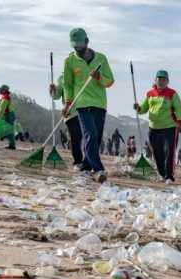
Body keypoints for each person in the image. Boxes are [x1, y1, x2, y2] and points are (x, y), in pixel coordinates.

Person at [63, 28, 114, 183]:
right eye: (75, 46)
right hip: (82, 103)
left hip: (99, 103)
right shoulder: (69, 61)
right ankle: (98, 169)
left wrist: (99, 77)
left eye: (80, 45)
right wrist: (67, 103)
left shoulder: (101, 58)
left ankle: (85, 165)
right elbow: (68, 84)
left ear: (87, 42)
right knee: (90, 135)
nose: (77, 49)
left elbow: (110, 81)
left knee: (96, 138)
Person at [134, 69, 181, 182]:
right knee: (157, 153)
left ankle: (169, 176)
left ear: (167, 81)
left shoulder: (172, 93)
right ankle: (162, 173)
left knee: (169, 152)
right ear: (155, 80)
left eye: (163, 79)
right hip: (154, 128)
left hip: (169, 127)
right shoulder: (150, 94)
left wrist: (180, 121)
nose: (161, 81)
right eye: (159, 79)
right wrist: (138, 108)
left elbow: (179, 108)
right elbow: (144, 108)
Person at [51, 72, 84, 167]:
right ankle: (78, 161)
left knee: (86, 136)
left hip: (84, 109)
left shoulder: (82, 73)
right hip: (70, 112)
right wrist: (53, 90)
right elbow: (56, 96)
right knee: (76, 136)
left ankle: (88, 162)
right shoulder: (62, 78)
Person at [0, 84, 17, 149]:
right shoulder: (5, 97)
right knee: (8, 129)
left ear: (4, 90)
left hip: (8, 115)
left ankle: (12, 145)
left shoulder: (5, 98)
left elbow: (2, 109)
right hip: (9, 114)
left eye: (1, 89)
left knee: (8, 130)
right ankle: (11, 144)